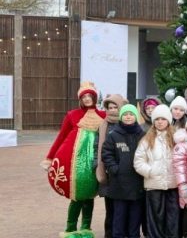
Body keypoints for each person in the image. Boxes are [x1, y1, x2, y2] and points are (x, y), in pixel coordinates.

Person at [42, 81, 106, 238]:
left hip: (94, 163)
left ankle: (86, 228)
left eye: (90, 96)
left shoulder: (103, 116)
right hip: (74, 164)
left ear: (94, 97)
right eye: (84, 97)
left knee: (90, 195)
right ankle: (70, 228)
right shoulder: (72, 115)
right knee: (77, 196)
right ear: (80, 99)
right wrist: (50, 157)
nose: (87, 99)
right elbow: (61, 136)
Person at [134, 104, 179, 238]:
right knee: (155, 219)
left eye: (163, 119)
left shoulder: (176, 138)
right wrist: (150, 171)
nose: (160, 122)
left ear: (168, 121)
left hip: (172, 185)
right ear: (153, 121)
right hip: (154, 186)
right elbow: (138, 161)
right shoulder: (147, 140)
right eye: (157, 119)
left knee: (172, 219)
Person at [102, 104, 146, 238]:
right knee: (119, 217)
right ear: (121, 116)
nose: (128, 116)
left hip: (137, 183)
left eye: (131, 114)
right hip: (119, 184)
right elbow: (106, 153)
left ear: (135, 117)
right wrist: (114, 169)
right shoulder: (113, 135)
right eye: (125, 114)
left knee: (135, 218)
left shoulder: (142, 134)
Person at [96, 94, 125, 238]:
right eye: (110, 107)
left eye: (115, 107)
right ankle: (109, 234)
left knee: (123, 208)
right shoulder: (103, 125)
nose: (113, 110)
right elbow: (97, 147)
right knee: (110, 208)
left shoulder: (127, 122)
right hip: (108, 173)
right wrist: (97, 165)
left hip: (124, 174)